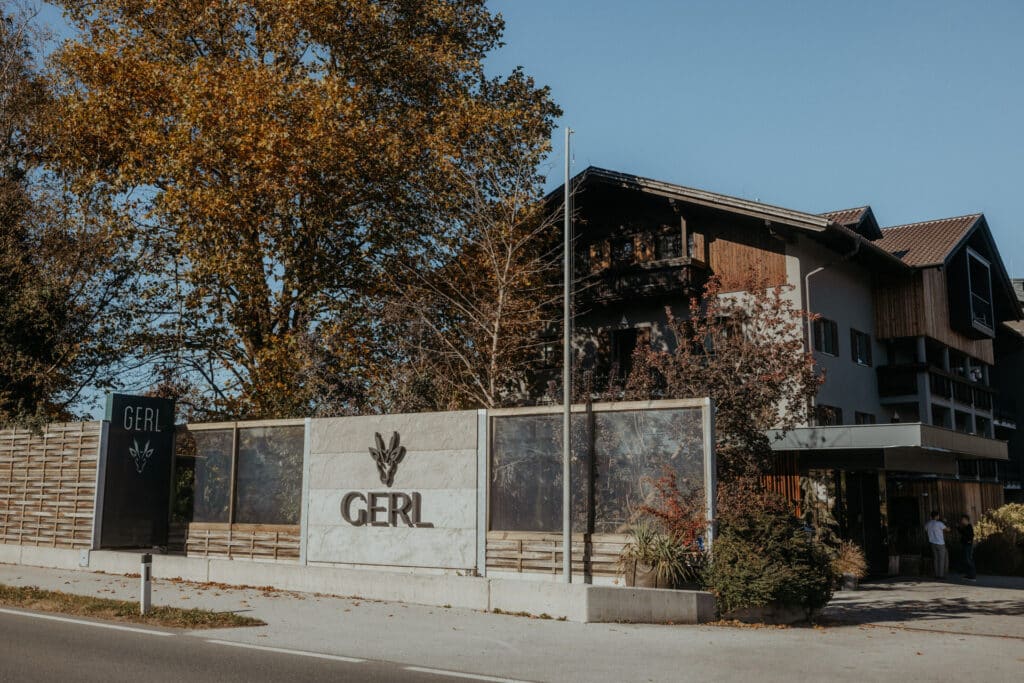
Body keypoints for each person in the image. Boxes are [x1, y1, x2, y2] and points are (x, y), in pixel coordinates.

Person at [924, 510, 949, 579]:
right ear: (937, 516)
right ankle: (940, 575)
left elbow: (925, 530)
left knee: (935, 559)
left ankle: (936, 574)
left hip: (932, 543)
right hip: (940, 543)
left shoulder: (928, 524)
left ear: (931, 516)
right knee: (941, 559)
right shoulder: (939, 523)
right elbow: (948, 530)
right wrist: (945, 522)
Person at [958, 514, 976, 581]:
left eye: (962, 520)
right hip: (966, 545)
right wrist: (958, 528)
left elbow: (969, 535)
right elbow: (963, 533)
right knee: (966, 560)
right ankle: (969, 575)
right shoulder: (966, 527)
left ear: (966, 520)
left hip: (968, 545)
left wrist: (969, 541)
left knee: (968, 560)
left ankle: (972, 576)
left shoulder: (969, 527)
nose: (962, 521)